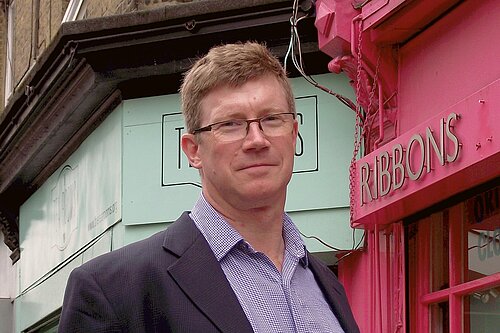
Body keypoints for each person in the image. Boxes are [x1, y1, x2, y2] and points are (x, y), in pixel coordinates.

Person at [58, 42, 360, 333]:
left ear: (294, 134)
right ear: (193, 151)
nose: (257, 140)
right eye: (230, 124)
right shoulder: (113, 290)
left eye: (271, 119)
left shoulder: (326, 284)